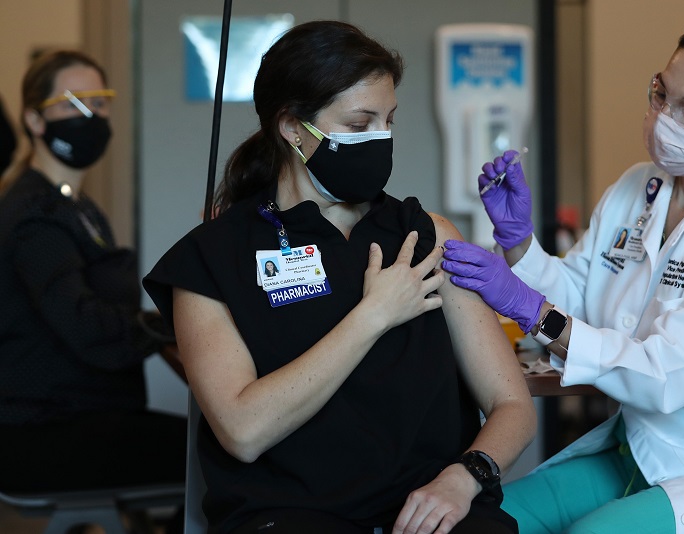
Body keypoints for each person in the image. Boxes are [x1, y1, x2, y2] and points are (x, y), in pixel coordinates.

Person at [441, 19, 684, 534]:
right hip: (644, 448)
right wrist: (520, 246)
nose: (663, 119)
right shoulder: (640, 187)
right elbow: (582, 299)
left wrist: (529, 309)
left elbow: (664, 377)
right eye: (661, 94)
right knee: (483, 523)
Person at [143, 20, 535, 534]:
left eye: (389, 121)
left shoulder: (426, 236)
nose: (381, 138)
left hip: (429, 507)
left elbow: (512, 404)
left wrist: (465, 477)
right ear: (292, 128)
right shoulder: (213, 258)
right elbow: (243, 432)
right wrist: (372, 316)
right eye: (358, 124)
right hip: (287, 515)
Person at [0, 50, 186, 498]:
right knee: (230, 452)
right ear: (35, 120)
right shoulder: (34, 213)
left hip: (83, 417)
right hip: (45, 432)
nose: (90, 115)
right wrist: (158, 327)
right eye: (72, 104)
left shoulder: (75, 206)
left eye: (99, 102)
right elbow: (82, 323)